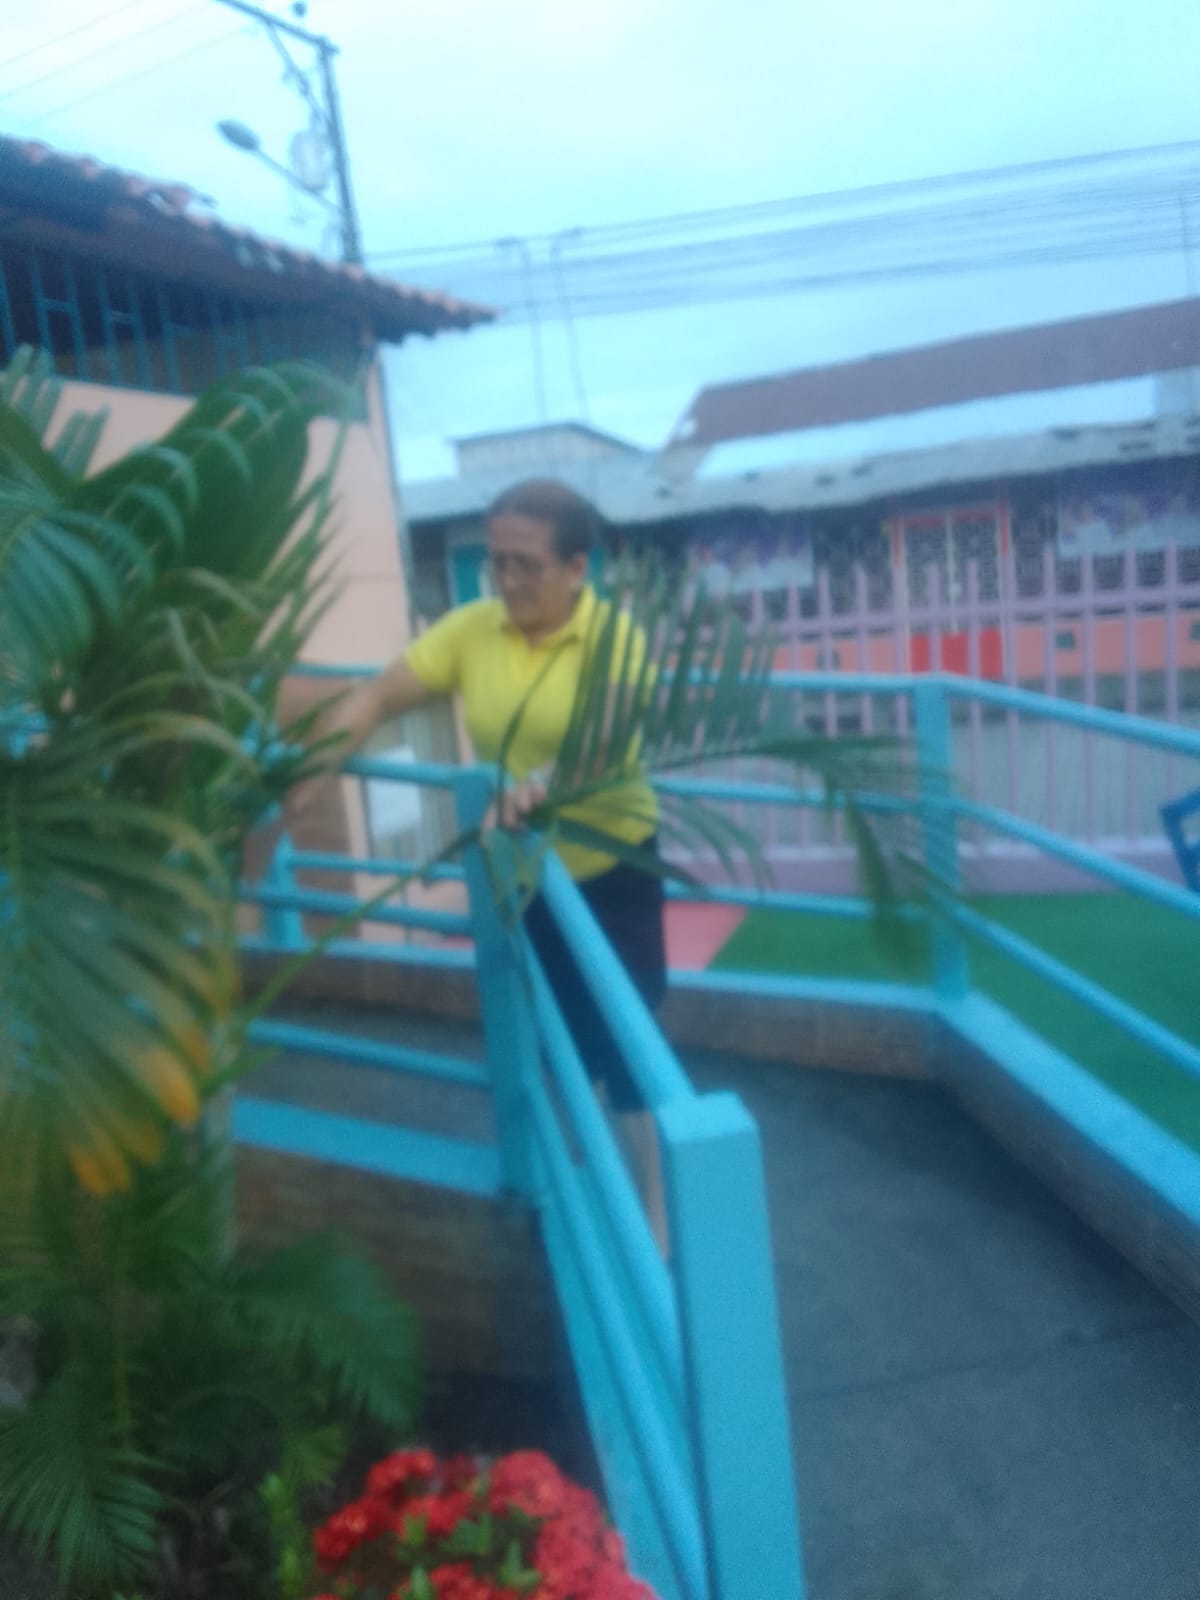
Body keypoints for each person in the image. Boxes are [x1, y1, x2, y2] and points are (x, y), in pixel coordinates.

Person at [290, 479, 669, 1239]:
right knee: (566, 1038)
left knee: (630, 1047)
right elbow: (381, 695)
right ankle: (588, 1183)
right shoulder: (474, 629)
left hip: (614, 867)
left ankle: (655, 1227)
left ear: (577, 569)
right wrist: (313, 769)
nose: (508, 580)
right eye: (498, 562)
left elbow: (600, 744)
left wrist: (537, 789)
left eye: (527, 564)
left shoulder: (613, 638)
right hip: (531, 874)